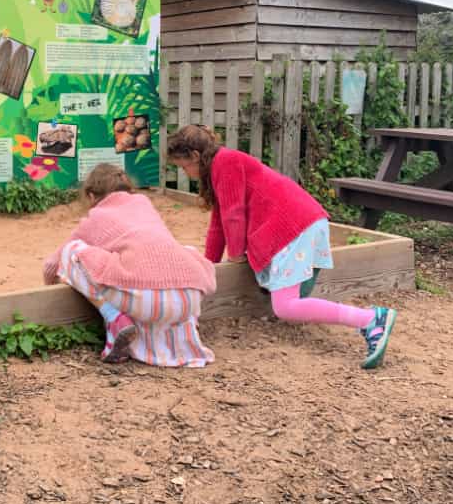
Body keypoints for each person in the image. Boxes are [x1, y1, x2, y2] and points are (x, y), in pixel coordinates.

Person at [166, 124, 397, 369]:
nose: (185, 172)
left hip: (293, 226)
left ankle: (371, 319)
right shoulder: (221, 166)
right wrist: (210, 267)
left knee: (286, 308)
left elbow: (234, 215)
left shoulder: (226, 162)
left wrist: (234, 255)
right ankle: (344, 311)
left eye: (183, 166)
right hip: (302, 223)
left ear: (195, 156)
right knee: (288, 300)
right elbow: (219, 223)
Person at [43, 164, 216, 367]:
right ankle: (183, 331)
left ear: (91, 195)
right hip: (188, 301)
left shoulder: (97, 215)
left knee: (72, 250)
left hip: (148, 301)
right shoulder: (144, 203)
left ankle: (114, 317)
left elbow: (55, 260)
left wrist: (49, 281)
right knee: (183, 251)